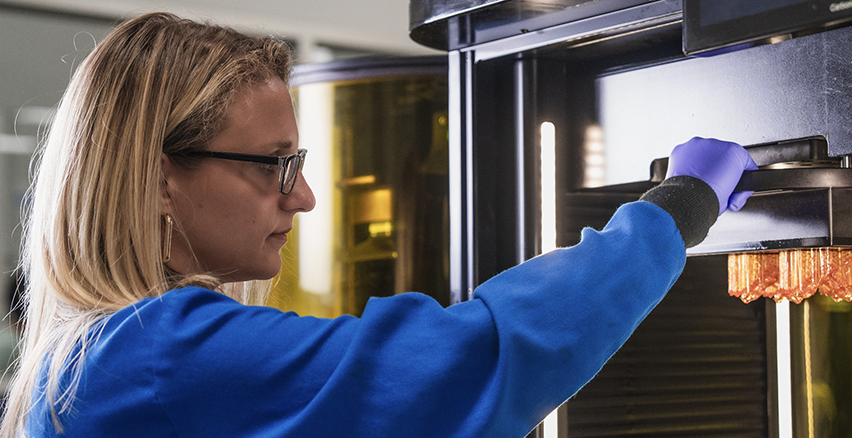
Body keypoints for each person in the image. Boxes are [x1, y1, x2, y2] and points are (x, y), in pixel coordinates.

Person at [0, 12, 757, 438]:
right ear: (160, 178)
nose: (302, 201)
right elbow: (472, 357)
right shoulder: (154, 355)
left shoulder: (85, 361)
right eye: (273, 166)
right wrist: (682, 206)